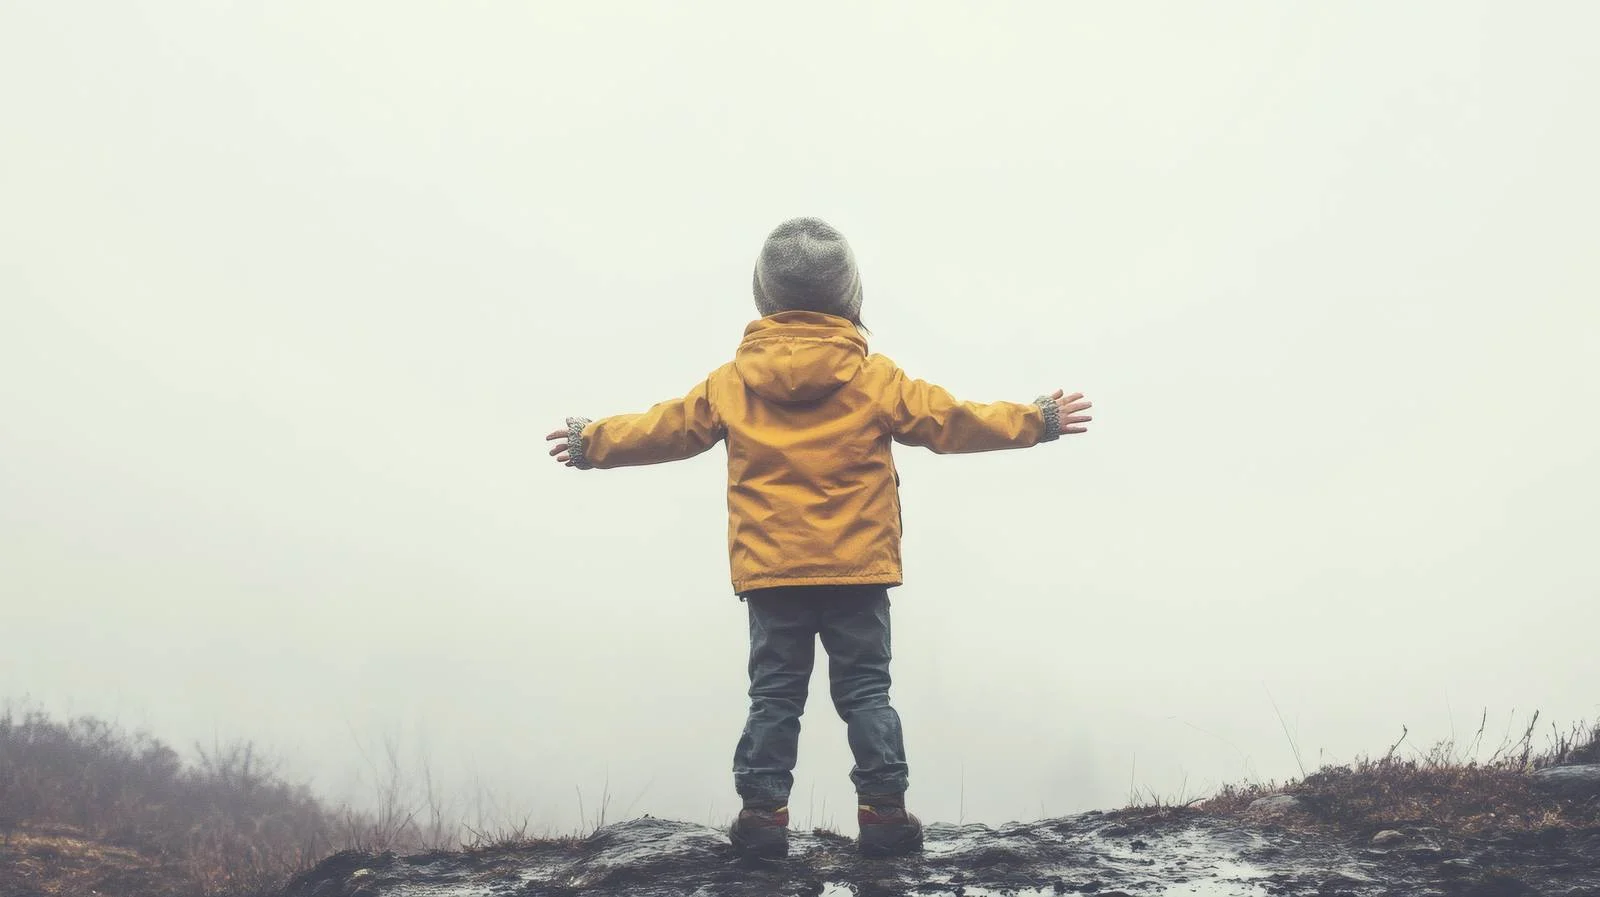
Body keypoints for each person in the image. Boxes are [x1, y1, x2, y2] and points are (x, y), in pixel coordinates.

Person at [546, 217, 1093, 860]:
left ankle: (762, 817)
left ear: (765, 296)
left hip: (773, 572)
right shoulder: (876, 377)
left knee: (774, 694)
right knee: (866, 692)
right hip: (858, 570)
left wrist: (591, 442)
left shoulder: (731, 382)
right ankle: (884, 814)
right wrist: (1037, 420)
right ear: (848, 297)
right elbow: (951, 421)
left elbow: (663, 429)